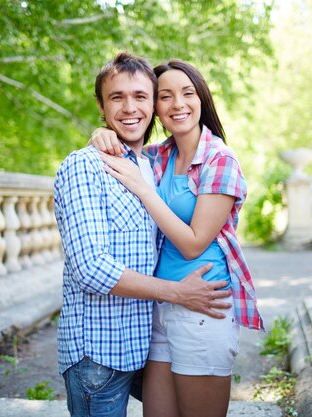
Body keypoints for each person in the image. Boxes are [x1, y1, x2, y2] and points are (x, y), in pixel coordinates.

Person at [54, 52, 233, 417]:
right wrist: (176, 293)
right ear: (102, 107)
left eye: (140, 97)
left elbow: (189, 235)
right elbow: (90, 268)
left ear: (152, 106)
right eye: (116, 97)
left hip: (145, 340)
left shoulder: (152, 165)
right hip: (99, 354)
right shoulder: (87, 164)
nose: (129, 107)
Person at [90, 59, 264, 417]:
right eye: (165, 96)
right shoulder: (158, 157)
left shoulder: (220, 160)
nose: (177, 104)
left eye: (187, 93)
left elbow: (194, 242)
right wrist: (100, 133)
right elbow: (121, 142)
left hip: (203, 306)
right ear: (156, 107)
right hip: (161, 306)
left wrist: (143, 190)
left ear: (202, 98)